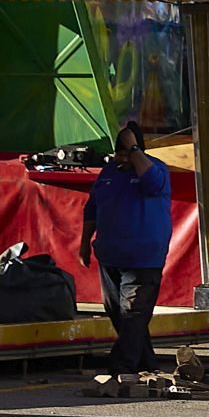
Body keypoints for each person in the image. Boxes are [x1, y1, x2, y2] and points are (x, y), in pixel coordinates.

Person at [80, 122, 173, 378]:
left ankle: (120, 368)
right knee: (119, 314)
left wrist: (133, 149)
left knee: (133, 313)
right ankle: (146, 363)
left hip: (143, 258)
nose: (122, 159)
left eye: (127, 154)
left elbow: (152, 184)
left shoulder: (155, 170)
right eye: (119, 154)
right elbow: (92, 208)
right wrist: (84, 243)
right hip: (110, 255)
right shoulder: (109, 173)